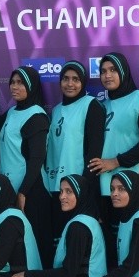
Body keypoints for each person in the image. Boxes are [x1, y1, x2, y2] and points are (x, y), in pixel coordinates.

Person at [0, 174, 106, 277]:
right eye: (61, 191)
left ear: (80, 194)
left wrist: (27, 275)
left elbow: (68, 274)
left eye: (69, 192)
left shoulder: (79, 227)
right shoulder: (86, 219)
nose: (62, 196)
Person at [87, 52, 139, 270]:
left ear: (124, 72)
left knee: (136, 239)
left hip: (135, 181)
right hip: (106, 184)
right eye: (103, 71)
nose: (107, 75)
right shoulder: (100, 106)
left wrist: (116, 161)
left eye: (113, 70)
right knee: (111, 238)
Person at [0, 66, 51, 265]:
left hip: (32, 190)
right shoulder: (12, 112)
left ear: (31, 86)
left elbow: (36, 159)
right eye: (13, 82)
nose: (15, 87)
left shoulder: (37, 116)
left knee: (36, 242)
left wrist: (23, 192)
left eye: (21, 83)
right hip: (11, 189)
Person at [43, 60, 105, 248]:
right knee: (59, 241)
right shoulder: (56, 110)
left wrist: (85, 187)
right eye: (66, 79)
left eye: (76, 79)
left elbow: (94, 150)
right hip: (56, 185)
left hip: (78, 187)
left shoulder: (91, 105)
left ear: (83, 82)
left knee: (78, 242)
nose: (70, 84)